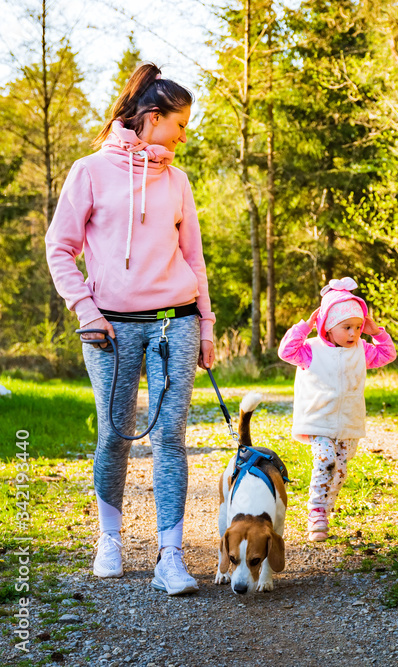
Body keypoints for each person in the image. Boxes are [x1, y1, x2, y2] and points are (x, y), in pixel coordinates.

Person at [46, 63, 214, 595]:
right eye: (180, 124)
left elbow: (195, 259)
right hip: (109, 330)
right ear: (152, 117)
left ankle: (171, 556)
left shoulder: (179, 180)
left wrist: (206, 327)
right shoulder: (89, 171)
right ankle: (110, 540)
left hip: (175, 322)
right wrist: (84, 310)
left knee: (170, 438)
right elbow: (60, 248)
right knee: (114, 434)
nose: (186, 135)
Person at [278, 277, 397, 541]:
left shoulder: (362, 350)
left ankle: (326, 509)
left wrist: (376, 331)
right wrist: (305, 326)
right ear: (328, 328)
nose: (353, 334)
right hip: (320, 421)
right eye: (346, 328)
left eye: (357, 327)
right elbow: (286, 351)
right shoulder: (310, 351)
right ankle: (316, 511)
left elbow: (388, 355)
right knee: (325, 460)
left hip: (348, 423)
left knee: (340, 471)